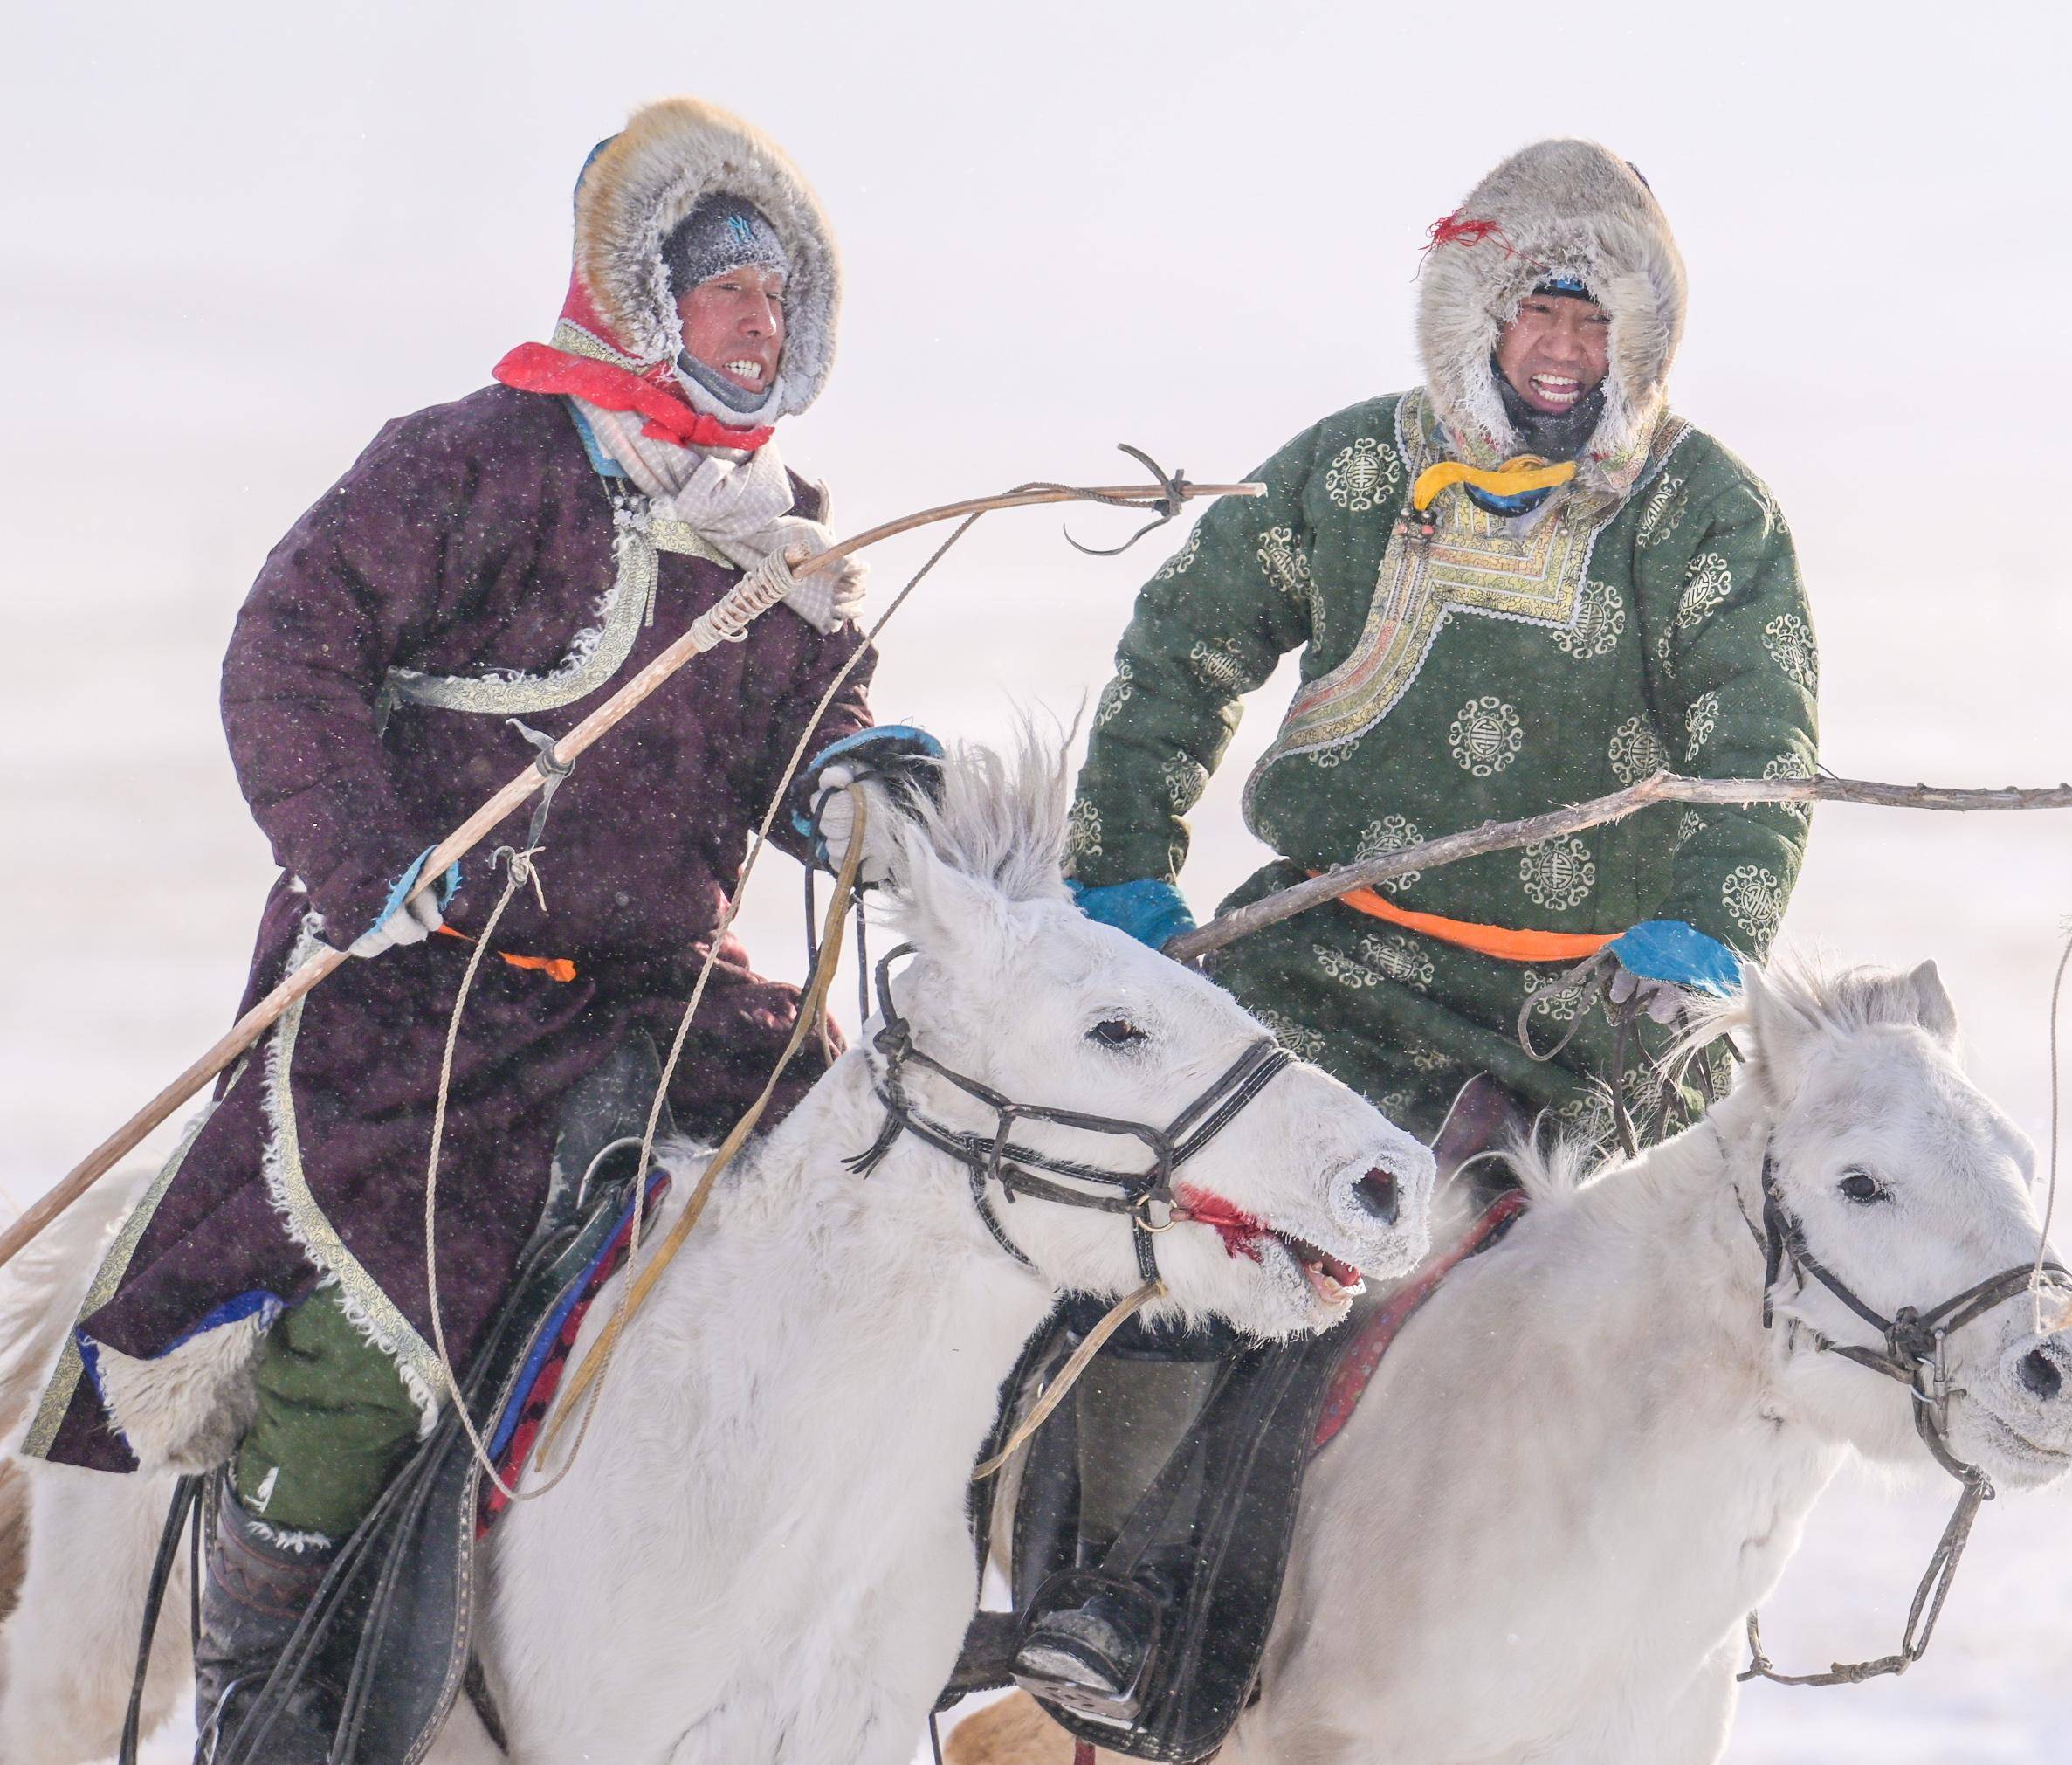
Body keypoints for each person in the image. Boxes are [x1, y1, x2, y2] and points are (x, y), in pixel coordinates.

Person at [19, 97, 893, 1756]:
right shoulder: (475, 460)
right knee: (373, 1331)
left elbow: (805, 761)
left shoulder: (786, 553)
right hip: (424, 1005)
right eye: (729, 293)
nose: (761, 327)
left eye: (783, 302)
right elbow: (288, 646)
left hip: (668, 1007)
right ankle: (273, 1712)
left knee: (884, 1220)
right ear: (644, 296)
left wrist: (859, 799)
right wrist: (369, 860)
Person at [1015, 139, 1821, 1728]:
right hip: (1325, 965)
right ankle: (1070, 1584)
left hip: (1571, 1017)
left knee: (1581, 1285)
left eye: (1601, 327)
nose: (1569, 354)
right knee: (1128, 1197)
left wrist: (1699, 940)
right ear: (1479, 312)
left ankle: (1600, 1645)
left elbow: (1762, 744)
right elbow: (1181, 651)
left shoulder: (1705, 514)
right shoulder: (1353, 475)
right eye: (1543, 314)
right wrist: (1121, 871)